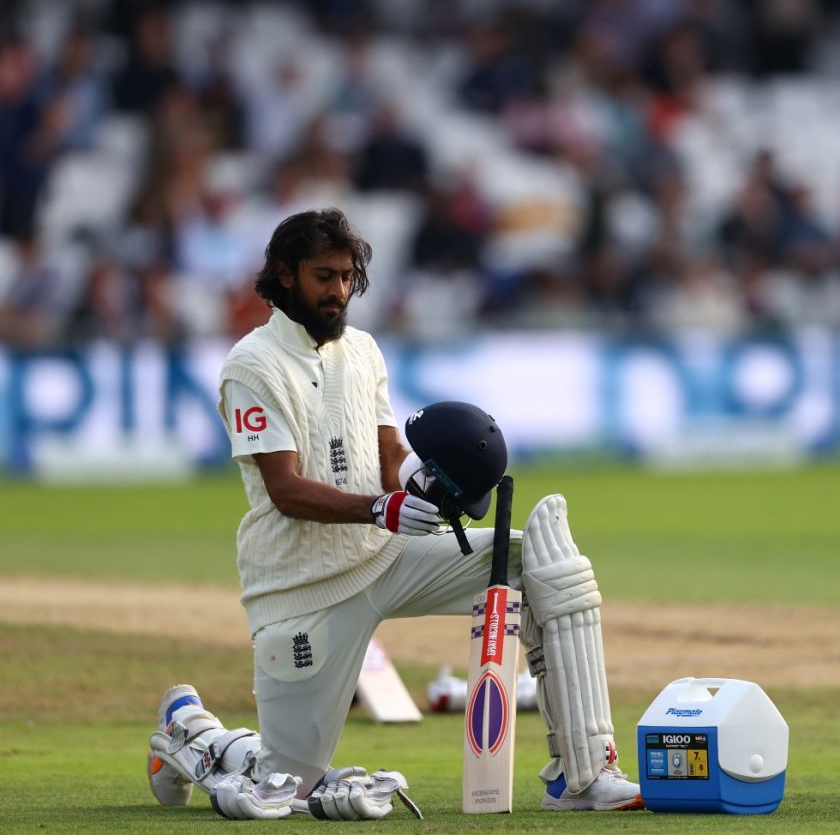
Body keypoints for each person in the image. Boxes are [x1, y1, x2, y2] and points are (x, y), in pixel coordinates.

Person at [145, 208, 644, 820]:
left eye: (347, 277)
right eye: (323, 275)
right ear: (284, 274)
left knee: (537, 560)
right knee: (286, 784)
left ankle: (583, 771)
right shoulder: (251, 366)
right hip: (303, 588)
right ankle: (192, 730)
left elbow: (386, 451)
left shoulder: (362, 349)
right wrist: (382, 508)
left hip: (387, 558)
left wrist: (421, 482)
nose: (337, 291)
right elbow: (285, 488)